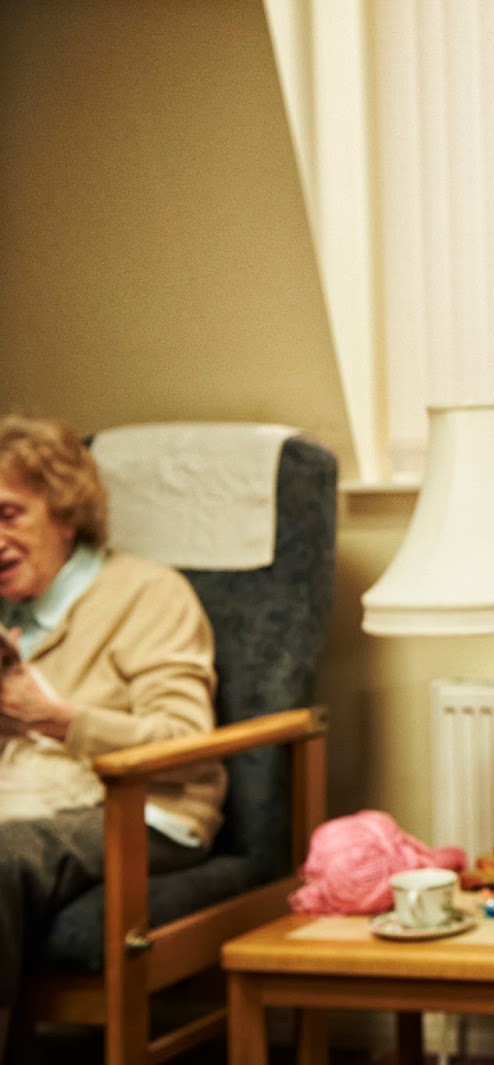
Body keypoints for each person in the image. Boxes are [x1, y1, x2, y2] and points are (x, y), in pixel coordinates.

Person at [0, 415, 220, 1052]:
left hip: (138, 808)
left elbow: (184, 739)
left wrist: (55, 718)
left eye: (9, 514)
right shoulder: (9, 611)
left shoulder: (148, 594)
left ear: (65, 513)